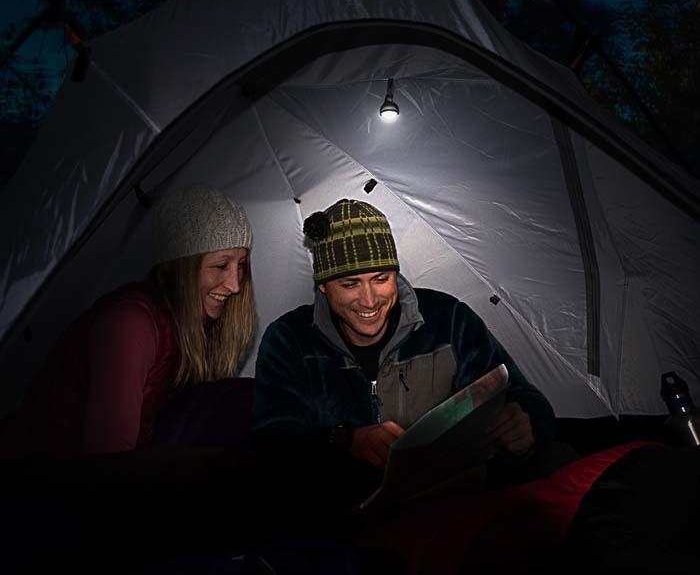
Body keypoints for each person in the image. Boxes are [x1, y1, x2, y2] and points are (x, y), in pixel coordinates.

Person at [252, 198, 558, 512]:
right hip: (336, 526)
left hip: (447, 511)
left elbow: (525, 397)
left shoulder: (449, 320)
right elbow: (271, 447)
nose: (369, 300)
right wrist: (346, 439)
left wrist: (525, 424)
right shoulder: (289, 340)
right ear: (323, 287)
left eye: (381, 279)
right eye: (350, 284)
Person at [0, 184, 256, 459]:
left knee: (248, 398)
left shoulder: (188, 320)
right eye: (221, 265)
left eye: (240, 265)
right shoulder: (130, 323)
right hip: (40, 476)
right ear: (182, 267)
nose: (235, 284)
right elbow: (109, 462)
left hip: (126, 457)